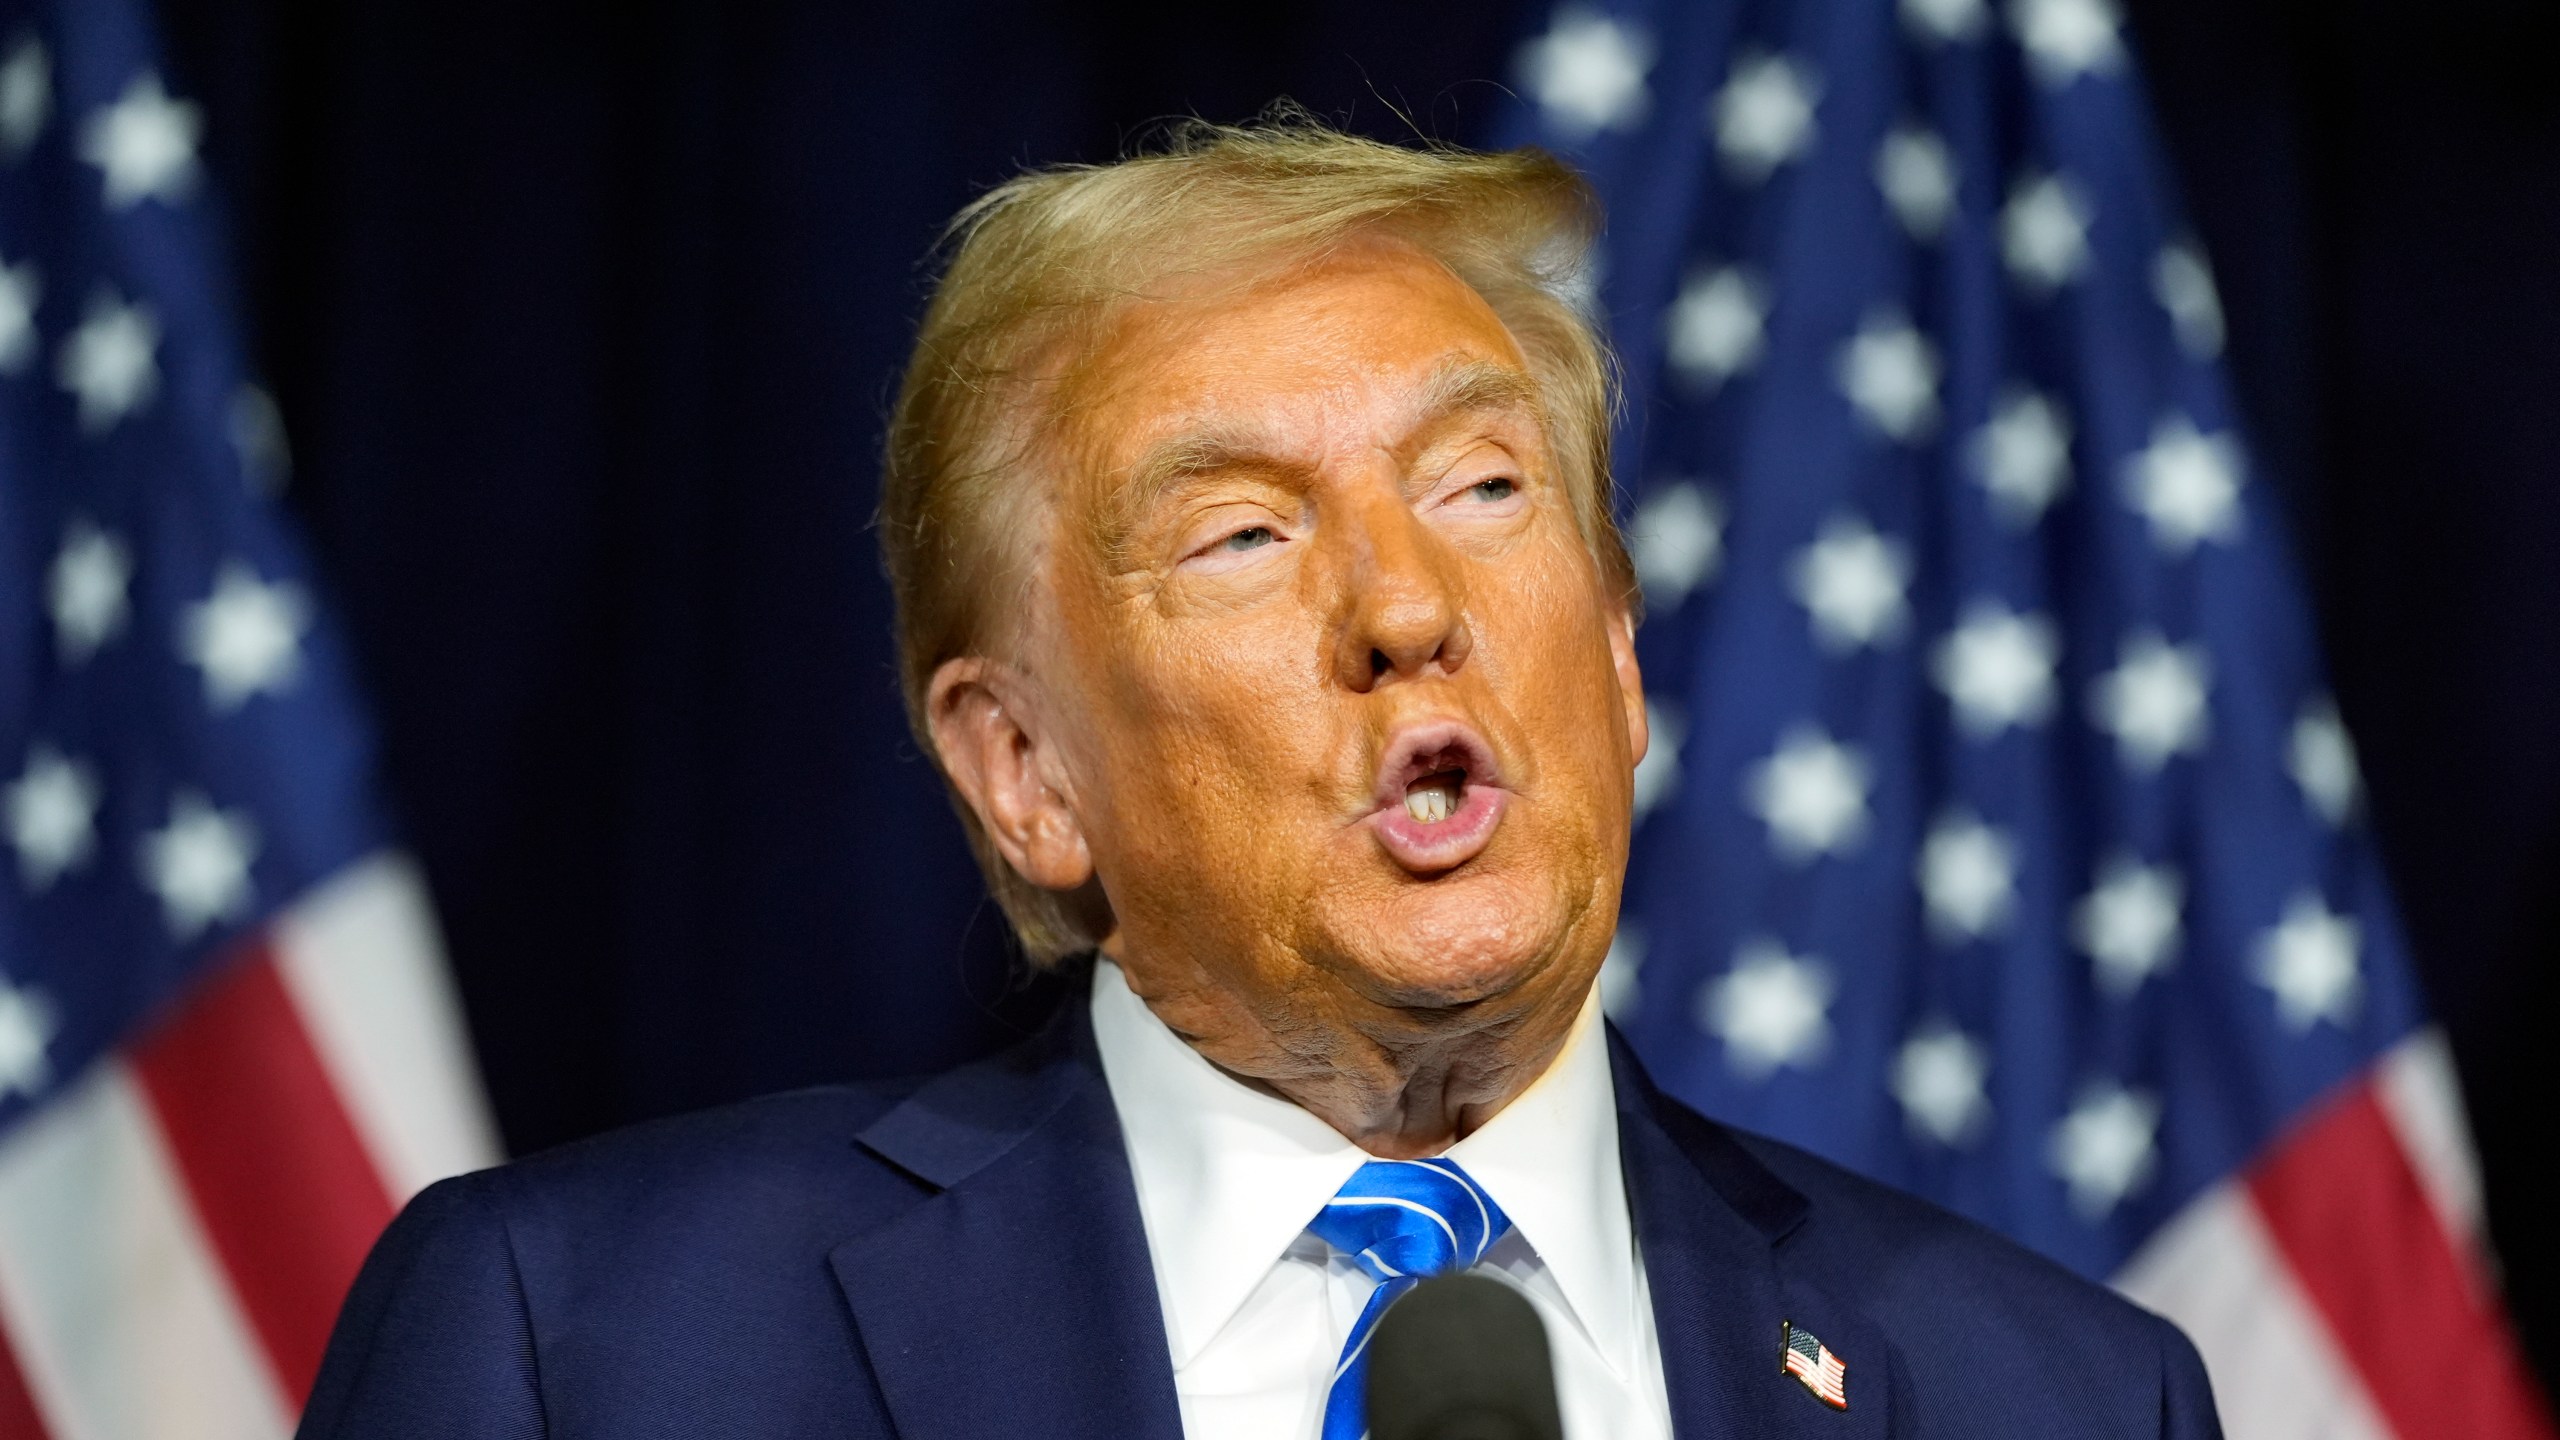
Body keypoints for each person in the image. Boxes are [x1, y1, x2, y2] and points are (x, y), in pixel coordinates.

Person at [300, 120, 2222, 1440]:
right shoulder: (596, 1349)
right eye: (1239, 536)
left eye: (1485, 488)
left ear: (1620, 653)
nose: (1407, 605)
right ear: (1027, 769)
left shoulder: (2054, 1396)